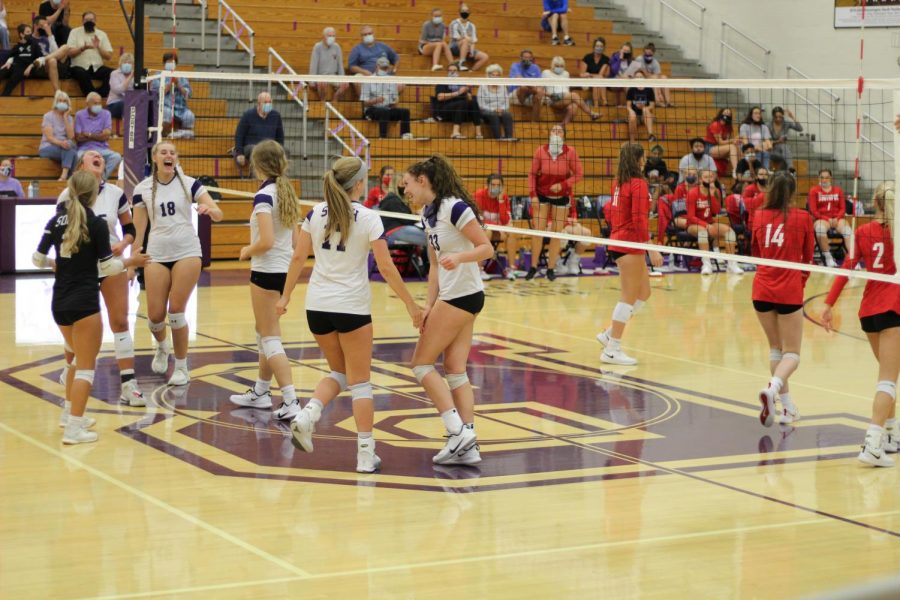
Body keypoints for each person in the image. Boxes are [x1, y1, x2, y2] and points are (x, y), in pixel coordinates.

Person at [276, 156, 423, 472]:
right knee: (361, 383)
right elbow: (385, 267)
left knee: (340, 372)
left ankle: (309, 413)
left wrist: (285, 296)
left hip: (317, 307)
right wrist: (411, 304)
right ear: (358, 184)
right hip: (351, 308)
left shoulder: (315, 213)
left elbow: (299, 256)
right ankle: (365, 454)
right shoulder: (369, 217)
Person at [32, 171, 147, 444]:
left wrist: (55, 264)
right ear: (94, 194)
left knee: (72, 356)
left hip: (58, 303)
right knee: (85, 367)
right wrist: (133, 262)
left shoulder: (56, 220)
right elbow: (107, 267)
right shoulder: (95, 223)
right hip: (84, 303)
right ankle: (74, 429)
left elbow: (37, 259)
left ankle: (69, 414)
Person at [403, 154, 493, 466]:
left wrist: (460, 259)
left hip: (463, 296)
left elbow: (486, 247)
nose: (406, 190)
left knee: (420, 364)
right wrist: (429, 303)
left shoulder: (454, 206)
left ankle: (456, 430)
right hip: (453, 296)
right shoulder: (428, 214)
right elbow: (433, 265)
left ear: (423, 180)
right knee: (454, 370)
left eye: (408, 184)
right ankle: (468, 443)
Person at [130, 142, 224, 385]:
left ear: (176, 159)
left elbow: (218, 213)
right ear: (155, 158)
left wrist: (208, 209)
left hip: (187, 251)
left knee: (176, 311)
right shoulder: (142, 189)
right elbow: (139, 232)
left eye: (172, 152)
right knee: (154, 316)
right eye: (164, 152)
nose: (168, 155)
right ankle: (162, 347)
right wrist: (131, 264)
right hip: (157, 253)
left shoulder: (189, 183)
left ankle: (182, 367)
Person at [56, 151, 144, 406]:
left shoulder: (115, 194)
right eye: (91, 155)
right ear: (80, 166)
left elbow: (130, 230)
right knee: (76, 326)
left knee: (119, 321)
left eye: (101, 156)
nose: (98, 156)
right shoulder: (67, 196)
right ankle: (70, 373)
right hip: (80, 269)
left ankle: (129, 384)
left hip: (110, 265)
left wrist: (124, 244)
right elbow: (61, 234)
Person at [822, 182, 899, 467]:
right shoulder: (899, 232)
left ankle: (891, 435)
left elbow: (846, 268)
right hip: (894, 309)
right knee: (888, 379)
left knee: (887, 375)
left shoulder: (863, 232)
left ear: (875, 204)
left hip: (869, 312)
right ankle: (873, 443)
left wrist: (829, 304)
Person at [228, 140, 302, 419]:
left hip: (265, 271)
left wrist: (247, 249)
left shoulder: (263, 197)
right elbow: (295, 241)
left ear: (257, 166)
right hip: (282, 271)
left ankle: (291, 399)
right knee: (264, 332)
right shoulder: (286, 193)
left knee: (269, 337)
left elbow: (267, 241)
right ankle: (261, 391)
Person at [750, 170, 814, 428]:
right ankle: (772, 389)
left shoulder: (759, 215)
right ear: (793, 192)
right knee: (793, 354)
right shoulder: (803, 217)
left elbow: (754, 253)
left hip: (761, 289)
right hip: (788, 290)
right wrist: (800, 283)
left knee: (776, 349)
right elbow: (808, 258)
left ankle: (787, 408)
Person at [596, 143, 663, 365]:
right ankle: (612, 349)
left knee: (644, 292)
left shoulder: (619, 182)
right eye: (643, 157)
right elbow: (639, 219)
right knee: (628, 295)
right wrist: (651, 248)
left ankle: (608, 334)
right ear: (639, 160)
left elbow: (611, 211)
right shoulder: (638, 183)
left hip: (622, 240)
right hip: (628, 243)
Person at [525, 124, 583, 281]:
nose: (556, 133)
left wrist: (563, 185)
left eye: (559, 131)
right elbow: (531, 174)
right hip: (542, 195)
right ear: (549, 134)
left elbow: (579, 174)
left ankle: (551, 269)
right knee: (538, 232)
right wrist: (533, 195)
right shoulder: (540, 151)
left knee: (556, 234)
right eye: (554, 131)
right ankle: (533, 267)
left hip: (561, 197)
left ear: (563, 135)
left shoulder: (570, 152)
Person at [686, 169, 743, 275]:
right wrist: (705, 225)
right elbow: (690, 217)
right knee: (702, 232)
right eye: (706, 177)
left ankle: (732, 264)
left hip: (709, 223)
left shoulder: (715, 191)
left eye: (711, 177)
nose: (709, 179)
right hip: (693, 225)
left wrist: (712, 195)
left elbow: (716, 211)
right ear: (700, 179)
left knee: (730, 232)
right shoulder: (692, 193)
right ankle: (706, 264)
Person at [475, 173, 519, 280]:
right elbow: (478, 218)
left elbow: (505, 220)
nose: (495, 187)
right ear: (487, 186)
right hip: (481, 230)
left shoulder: (503, 198)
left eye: (498, 185)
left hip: (497, 231)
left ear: (502, 187)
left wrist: (500, 201)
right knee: (487, 232)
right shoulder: (479, 195)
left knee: (512, 233)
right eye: (493, 185)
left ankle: (511, 268)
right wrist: (496, 226)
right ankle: (479, 270)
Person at [361, 57, 412, 139]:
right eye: (382, 68)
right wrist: (376, 100)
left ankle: (405, 135)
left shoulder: (391, 80)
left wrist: (394, 103)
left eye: (386, 68)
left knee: (405, 112)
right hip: (371, 110)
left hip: (387, 109)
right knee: (383, 111)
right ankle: (383, 137)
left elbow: (394, 100)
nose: (384, 70)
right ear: (377, 66)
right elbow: (365, 102)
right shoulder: (368, 80)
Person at [234, 91, 284, 175]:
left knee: (284, 151)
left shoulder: (276, 116)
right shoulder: (248, 115)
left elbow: (280, 137)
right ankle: (256, 180)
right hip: (251, 147)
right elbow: (239, 135)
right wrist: (240, 153)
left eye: (270, 102)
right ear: (259, 103)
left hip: (269, 148)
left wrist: (280, 149)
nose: (268, 104)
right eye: (265, 102)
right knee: (257, 150)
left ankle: (281, 181)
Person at [808, 168, 850, 268]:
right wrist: (828, 219)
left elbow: (843, 208)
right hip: (822, 219)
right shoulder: (814, 191)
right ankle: (828, 257)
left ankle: (852, 258)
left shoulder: (838, 190)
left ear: (831, 178)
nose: (824, 180)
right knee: (820, 229)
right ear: (819, 178)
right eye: (822, 177)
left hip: (837, 219)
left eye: (827, 177)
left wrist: (837, 218)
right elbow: (813, 211)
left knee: (848, 230)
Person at [74, 92, 121, 180]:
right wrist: (99, 135)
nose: (98, 105)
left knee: (116, 157)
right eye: (95, 103)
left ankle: (100, 179)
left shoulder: (106, 114)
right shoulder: (79, 115)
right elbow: (78, 138)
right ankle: (83, 180)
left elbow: (106, 137)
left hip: (102, 148)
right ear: (87, 104)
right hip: (84, 149)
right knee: (77, 157)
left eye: (99, 103)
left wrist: (88, 134)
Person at [542, 55, 599, 126]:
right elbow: (541, 89)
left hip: (565, 97)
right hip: (553, 98)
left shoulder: (566, 73)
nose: (559, 67)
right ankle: (591, 113)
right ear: (552, 65)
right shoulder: (546, 73)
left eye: (561, 66)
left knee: (574, 106)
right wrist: (548, 96)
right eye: (557, 65)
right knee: (574, 95)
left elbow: (567, 88)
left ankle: (562, 125)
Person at [66, 11, 112, 98]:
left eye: (91, 20)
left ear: (95, 21)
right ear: (82, 21)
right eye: (86, 20)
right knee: (81, 73)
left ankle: (99, 94)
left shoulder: (102, 34)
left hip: (97, 67)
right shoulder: (74, 32)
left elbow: (108, 56)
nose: (89, 22)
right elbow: (69, 53)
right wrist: (83, 48)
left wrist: (98, 47)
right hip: (78, 67)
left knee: (113, 73)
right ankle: (92, 96)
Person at [149, 52, 195, 139]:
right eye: (169, 61)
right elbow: (158, 93)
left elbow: (188, 94)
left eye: (173, 62)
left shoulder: (182, 77)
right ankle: (163, 135)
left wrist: (178, 84)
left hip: (181, 108)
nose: (171, 64)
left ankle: (184, 134)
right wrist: (170, 83)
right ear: (164, 63)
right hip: (164, 106)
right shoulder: (158, 76)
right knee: (167, 113)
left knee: (189, 115)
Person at [434, 64, 482, 139]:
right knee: (461, 104)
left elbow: (469, 100)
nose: (452, 72)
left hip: (461, 111)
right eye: (450, 71)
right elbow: (440, 97)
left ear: (458, 72)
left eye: (454, 70)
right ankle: (455, 132)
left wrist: (467, 91)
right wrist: (458, 93)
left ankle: (478, 133)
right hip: (445, 109)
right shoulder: (442, 82)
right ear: (447, 72)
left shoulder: (462, 83)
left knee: (473, 102)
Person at [348, 25, 399, 95]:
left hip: (383, 74)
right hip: (365, 75)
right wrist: (364, 72)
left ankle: (385, 102)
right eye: (365, 34)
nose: (368, 36)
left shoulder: (383, 46)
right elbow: (352, 66)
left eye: (369, 33)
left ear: (373, 34)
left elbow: (396, 58)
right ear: (361, 37)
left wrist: (394, 70)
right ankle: (365, 104)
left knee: (400, 85)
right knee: (357, 81)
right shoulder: (357, 49)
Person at [39, 90, 77, 180]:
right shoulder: (48, 116)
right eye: (60, 101)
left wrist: (65, 118)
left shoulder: (69, 118)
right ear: (56, 102)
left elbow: (71, 136)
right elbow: (49, 138)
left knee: (72, 149)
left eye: (64, 101)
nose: (62, 103)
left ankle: (69, 178)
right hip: (47, 147)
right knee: (71, 150)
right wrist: (61, 143)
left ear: (68, 104)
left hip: (64, 147)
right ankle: (66, 176)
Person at [0, 24, 43, 96]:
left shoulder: (35, 45)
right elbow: (11, 56)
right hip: (16, 65)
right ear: (22, 34)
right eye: (28, 32)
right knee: (2, 71)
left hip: (26, 67)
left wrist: (31, 66)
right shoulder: (17, 46)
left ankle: (4, 97)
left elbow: (41, 57)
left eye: (30, 32)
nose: (30, 34)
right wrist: (8, 62)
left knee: (14, 78)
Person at [309, 27, 349, 101]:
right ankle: (323, 102)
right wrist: (312, 81)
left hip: (333, 76)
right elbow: (313, 64)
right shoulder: (317, 47)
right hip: (321, 77)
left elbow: (340, 65)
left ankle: (335, 99)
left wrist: (343, 79)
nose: (332, 38)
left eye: (333, 36)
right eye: (329, 36)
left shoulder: (337, 47)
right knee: (322, 83)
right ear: (323, 37)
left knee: (346, 85)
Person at [477, 63, 515, 140]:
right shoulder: (483, 86)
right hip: (486, 111)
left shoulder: (503, 87)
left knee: (507, 114)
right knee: (493, 115)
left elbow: (506, 103)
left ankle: (509, 137)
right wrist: (494, 110)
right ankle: (498, 137)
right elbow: (481, 105)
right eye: (493, 75)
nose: (495, 77)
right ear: (488, 75)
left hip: (501, 110)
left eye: (497, 75)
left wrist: (501, 109)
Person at [31, 15, 69, 92]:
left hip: (50, 60)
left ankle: (43, 59)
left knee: (66, 47)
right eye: (42, 26)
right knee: (52, 61)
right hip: (40, 65)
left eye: (46, 26)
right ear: (35, 26)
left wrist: (50, 35)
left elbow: (56, 51)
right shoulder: (30, 39)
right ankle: (57, 91)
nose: (44, 28)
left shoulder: (46, 38)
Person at [449, 4, 489, 71]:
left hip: (468, 48)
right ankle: (461, 63)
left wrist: (472, 52)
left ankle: (471, 71)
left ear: (469, 13)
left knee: (485, 57)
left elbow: (473, 41)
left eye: (467, 11)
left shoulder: (472, 25)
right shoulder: (454, 23)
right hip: (455, 47)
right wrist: (466, 38)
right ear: (459, 12)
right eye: (463, 10)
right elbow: (456, 38)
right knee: (465, 40)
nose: (465, 12)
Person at [508, 49, 545, 122]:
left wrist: (538, 90)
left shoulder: (536, 68)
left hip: (531, 95)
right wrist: (536, 89)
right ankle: (523, 103)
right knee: (523, 87)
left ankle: (534, 123)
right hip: (516, 96)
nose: (527, 59)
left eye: (529, 58)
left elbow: (540, 84)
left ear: (531, 59)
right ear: (520, 58)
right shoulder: (514, 66)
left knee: (538, 96)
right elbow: (521, 80)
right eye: (525, 57)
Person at [705, 108, 739, 178]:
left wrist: (736, 140)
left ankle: (742, 171)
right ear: (721, 113)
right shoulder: (715, 125)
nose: (727, 115)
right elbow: (720, 142)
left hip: (719, 148)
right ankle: (736, 169)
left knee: (737, 147)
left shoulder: (728, 127)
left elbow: (727, 141)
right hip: (710, 148)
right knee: (732, 147)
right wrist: (733, 140)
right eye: (725, 113)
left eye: (729, 114)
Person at [579, 36, 610, 107]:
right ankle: (603, 101)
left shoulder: (606, 59)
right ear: (594, 46)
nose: (599, 48)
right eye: (597, 46)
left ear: (604, 48)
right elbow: (581, 74)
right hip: (586, 81)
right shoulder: (587, 57)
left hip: (599, 80)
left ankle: (598, 104)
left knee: (598, 79)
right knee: (598, 79)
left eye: (601, 46)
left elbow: (602, 74)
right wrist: (589, 76)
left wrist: (590, 74)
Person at [625, 71, 655, 142]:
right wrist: (631, 111)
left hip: (646, 116)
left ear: (644, 78)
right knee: (632, 117)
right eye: (637, 77)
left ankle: (650, 135)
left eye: (640, 77)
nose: (639, 78)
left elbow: (652, 105)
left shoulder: (649, 89)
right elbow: (628, 106)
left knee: (645, 110)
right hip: (635, 116)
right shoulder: (631, 90)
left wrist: (644, 108)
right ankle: (632, 141)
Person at [105, 52, 133, 120]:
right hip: (114, 104)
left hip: (130, 103)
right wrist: (130, 77)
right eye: (125, 62)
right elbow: (118, 90)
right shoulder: (114, 74)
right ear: (120, 64)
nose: (127, 64)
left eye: (129, 63)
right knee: (124, 104)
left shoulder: (136, 76)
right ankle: (127, 125)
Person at [607, 42, 634, 107]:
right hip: (614, 81)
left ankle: (630, 104)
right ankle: (631, 104)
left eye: (627, 51)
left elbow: (633, 72)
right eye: (624, 50)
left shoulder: (631, 60)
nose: (625, 52)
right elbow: (614, 70)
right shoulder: (614, 57)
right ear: (620, 50)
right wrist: (620, 59)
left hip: (627, 81)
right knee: (626, 81)